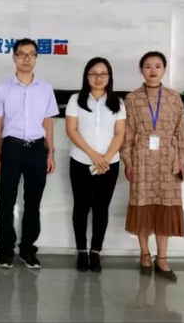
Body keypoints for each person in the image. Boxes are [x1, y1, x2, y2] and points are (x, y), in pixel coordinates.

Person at [121, 51, 184, 282]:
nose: (153, 71)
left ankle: (162, 258)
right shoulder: (131, 99)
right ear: (141, 70)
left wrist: (182, 159)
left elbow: (181, 131)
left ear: (164, 69)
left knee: (164, 208)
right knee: (143, 206)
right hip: (141, 159)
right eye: (148, 66)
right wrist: (128, 160)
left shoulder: (173, 97)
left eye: (158, 66)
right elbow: (126, 134)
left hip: (168, 160)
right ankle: (144, 254)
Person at [0, 38, 59, 269]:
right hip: (12, 148)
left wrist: (50, 153)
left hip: (37, 149)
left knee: (33, 202)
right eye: (21, 54)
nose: (26, 59)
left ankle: (28, 249)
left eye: (31, 54)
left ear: (36, 58)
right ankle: (5, 250)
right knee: (7, 201)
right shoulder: (3, 88)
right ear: (14, 58)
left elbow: (48, 122)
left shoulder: (45, 88)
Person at [65, 57, 126, 272]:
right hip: (81, 161)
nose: (98, 78)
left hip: (109, 164)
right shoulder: (76, 100)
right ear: (86, 76)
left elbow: (120, 133)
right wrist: (94, 155)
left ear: (109, 77)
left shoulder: (118, 103)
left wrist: (106, 157)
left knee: (101, 208)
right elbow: (71, 130)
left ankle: (96, 251)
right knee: (81, 207)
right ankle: (82, 251)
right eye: (93, 74)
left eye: (103, 74)